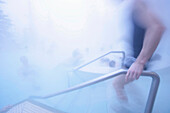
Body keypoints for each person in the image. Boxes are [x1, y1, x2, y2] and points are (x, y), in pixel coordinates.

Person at [113, 0, 165, 102]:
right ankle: (136, 105)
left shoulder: (138, 4)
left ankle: (134, 107)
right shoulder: (133, 5)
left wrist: (140, 62)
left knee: (116, 84)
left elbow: (157, 28)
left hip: (136, 59)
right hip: (133, 58)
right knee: (118, 85)